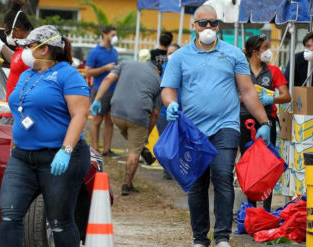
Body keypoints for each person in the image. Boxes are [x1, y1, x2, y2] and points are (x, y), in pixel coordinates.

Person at [161, 5, 271, 247]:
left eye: (212, 23)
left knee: (222, 176)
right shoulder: (179, 57)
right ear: (194, 26)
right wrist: (170, 104)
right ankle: (200, 238)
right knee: (197, 183)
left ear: (218, 25)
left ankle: (222, 237)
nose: (208, 28)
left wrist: (265, 121)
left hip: (226, 126)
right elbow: (168, 90)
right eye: (203, 23)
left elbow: (247, 90)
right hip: (192, 130)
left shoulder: (233, 54)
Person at [0, 25, 91, 247]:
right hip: (22, 158)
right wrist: (16, 138)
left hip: (57, 158)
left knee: (60, 222)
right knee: (9, 216)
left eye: (29, 46)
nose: (25, 52)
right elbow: (21, 109)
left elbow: (80, 114)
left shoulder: (68, 75)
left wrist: (66, 150)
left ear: (45, 49)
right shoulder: (27, 75)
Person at [91, 60, 162, 196]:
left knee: (133, 139)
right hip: (138, 115)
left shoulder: (125, 64)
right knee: (134, 149)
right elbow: (155, 113)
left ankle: (141, 148)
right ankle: (127, 184)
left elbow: (108, 78)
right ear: (158, 70)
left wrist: (97, 99)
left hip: (116, 113)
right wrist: (146, 134)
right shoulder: (158, 80)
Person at [240, 34, 291, 211]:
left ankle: (267, 210)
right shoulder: (241, 70)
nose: (269, 51)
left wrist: (271, 98)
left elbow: (286, 96)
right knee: (249, 164)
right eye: (265, 48)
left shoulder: (273, 71)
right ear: (255, 52)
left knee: (267, 164)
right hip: (244, 121)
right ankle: (251, 209)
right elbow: (231, 94)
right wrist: (246, 98)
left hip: (267, 123)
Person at [0, 2, 33, 113]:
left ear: (16, 30)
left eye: (7, 31)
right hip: (17, 112)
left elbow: (18, 60)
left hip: (26, 112)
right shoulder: (20, 49)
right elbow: (15, 60)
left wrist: (0, 44)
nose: (6, 35)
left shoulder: (32, 51)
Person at [85, 26, 119, 157]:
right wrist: (104, 68)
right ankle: (94, 149)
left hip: (113, 90)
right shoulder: (95, 52)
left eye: (115, 35)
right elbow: (87, 72)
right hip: (100, 90)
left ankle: (107, 149)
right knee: (97, 121)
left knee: (110, 121)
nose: (114, 37)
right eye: (112, 34)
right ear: (104, 35)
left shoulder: (114, 51)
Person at [156, 43, 181, 179]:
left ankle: (178, 170)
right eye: (169, 53)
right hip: (165, 112)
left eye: (174, 53)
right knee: (166, 141)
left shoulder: (184, 67)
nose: (171, 56)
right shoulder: (164, 68)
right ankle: (167, 170)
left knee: (179, 142)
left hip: (181, 112)